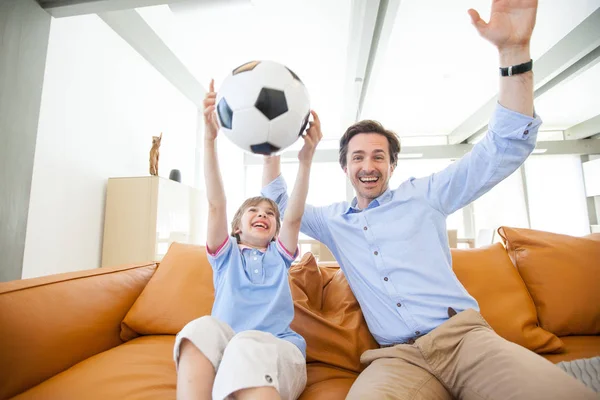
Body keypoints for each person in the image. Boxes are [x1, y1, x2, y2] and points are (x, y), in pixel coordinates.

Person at [262, 1, 597, 399]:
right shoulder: (334, 221)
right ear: (345, 167)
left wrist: (513, 54)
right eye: (358, 157)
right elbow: (278, 207)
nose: (368, 165)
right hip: (397, 357)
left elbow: (501, 149)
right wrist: (270, 144)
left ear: (391, 165)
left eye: (378, 156)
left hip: (463, 339)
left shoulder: (426, 195)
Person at [173, 80, 322, 400]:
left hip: (277, 351)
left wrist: (306, 159)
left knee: (245, 345)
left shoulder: (279, 255)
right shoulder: (225, 255)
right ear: (236, 227)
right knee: (200, 328)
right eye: (254, 210)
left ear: (275, 230)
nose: (264, 215)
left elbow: (293, 216)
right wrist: (210, 139)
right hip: (227, 352)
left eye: (270, 214)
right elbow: (216, 203)